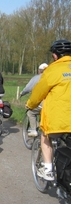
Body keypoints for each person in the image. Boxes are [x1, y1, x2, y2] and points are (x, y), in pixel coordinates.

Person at [26, 39, 71, 181]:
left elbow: (38, 93)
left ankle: (48, 170)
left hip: (59, 119)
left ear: (55, 55)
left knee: (45, 137)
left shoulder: (52, 70)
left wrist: (30, 105)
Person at [20, 63, 48, 137]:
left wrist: (22, 93)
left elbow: (28, 88)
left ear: (39, 70)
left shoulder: (36, 78)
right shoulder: (53, 77)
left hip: (41, 103)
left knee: (30, 113)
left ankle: (33, 130)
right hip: (52, 103)